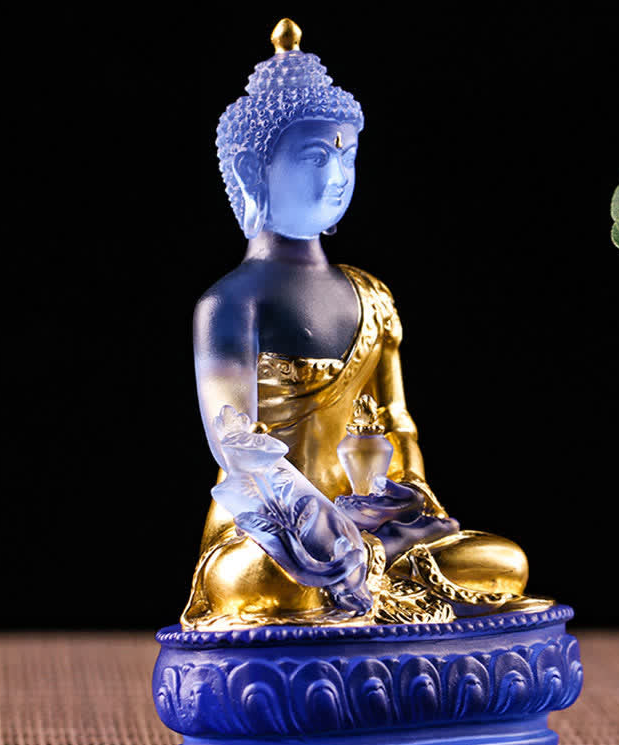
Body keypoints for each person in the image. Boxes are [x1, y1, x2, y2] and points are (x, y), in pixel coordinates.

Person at [182, 20, 543, 629]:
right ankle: (355, 588)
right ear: (253, 170)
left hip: (368, 525)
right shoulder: (229, 304)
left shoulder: (371, 295)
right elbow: (236, 444)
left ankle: (370, 585)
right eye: (315, 156)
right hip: (274, 535)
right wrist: (331, 536)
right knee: (268, 587)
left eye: (347, 155)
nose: (339, 174)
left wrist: (407, 505)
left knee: (502, 562)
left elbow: (396, 424)